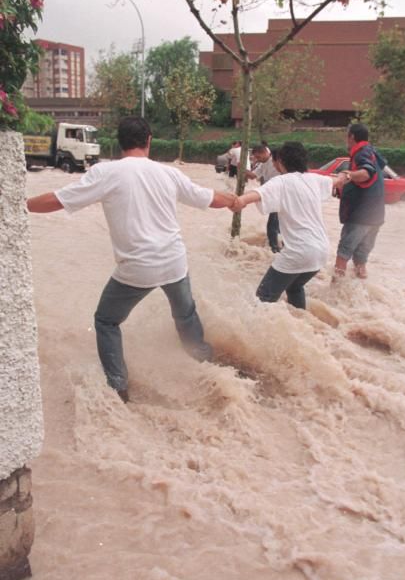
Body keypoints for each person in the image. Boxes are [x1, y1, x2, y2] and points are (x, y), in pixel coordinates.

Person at [27, 116, 236, 403]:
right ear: (149, 140)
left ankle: (118, 387)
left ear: (119, 142)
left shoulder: (106, 172)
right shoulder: (168, 173)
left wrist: (19, 205)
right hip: (175, 262)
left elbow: (58, 200)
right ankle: (205, 361)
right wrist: (234, 201)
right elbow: (209, 198)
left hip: (137, 268)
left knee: (106, 321)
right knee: (184, 314)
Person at [232, 141, 347, 309]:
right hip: (321, 250)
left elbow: (256, 194)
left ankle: (259, 332)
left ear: (281, 162)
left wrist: (238, 201)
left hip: (298, 251)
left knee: (263, 298)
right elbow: (338, 181)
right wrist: (347, 174)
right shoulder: (315, 178)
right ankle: (302, 324)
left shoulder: (281, 181)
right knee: (294, 287)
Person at [334, 123, 386, 279]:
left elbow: (366, 173)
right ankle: (360, 294)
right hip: (376, 216)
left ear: (352, 137)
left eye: (347, 135)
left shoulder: (360, 153)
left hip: (360, 216)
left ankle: (335, 294)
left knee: (343, 254)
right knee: (361, 260)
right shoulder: (373, 152)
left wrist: (347, 175)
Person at [247, 144, 281, 252]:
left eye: (258, 157)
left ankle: (274, 248)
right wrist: (242, 169)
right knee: (276, 222)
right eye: (256, 157)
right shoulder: (263, 164)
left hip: (279, 194)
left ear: (264, 153)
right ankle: (276, 246)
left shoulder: (275, 161)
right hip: (271, 193)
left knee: (273, 223)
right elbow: (253, 176)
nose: (257, 159)